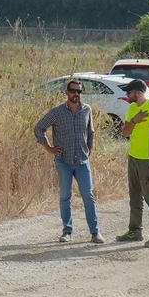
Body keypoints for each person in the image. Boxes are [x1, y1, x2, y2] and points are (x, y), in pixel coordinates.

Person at [33, 78, 100, 243]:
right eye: (73, 90)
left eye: (79, 91)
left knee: (88, 195)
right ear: (66, 92)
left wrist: (90, 148)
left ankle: (95, 232)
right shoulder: (57, 112)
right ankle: (67, 232)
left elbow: (91, 132)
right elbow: (39, 127)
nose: (76, 94)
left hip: (82, 160)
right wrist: (48, 148)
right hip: (64, 161)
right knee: (65, 196)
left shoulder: (87, 110)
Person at [116, 79, 149, 248]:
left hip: (148, 160)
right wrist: (134, 120)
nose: (127, 96)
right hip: (133, 157)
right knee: (135, 196)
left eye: (128, 93)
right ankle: (135, 231)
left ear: (137, 92)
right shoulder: (132, 108)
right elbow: (125, 133)